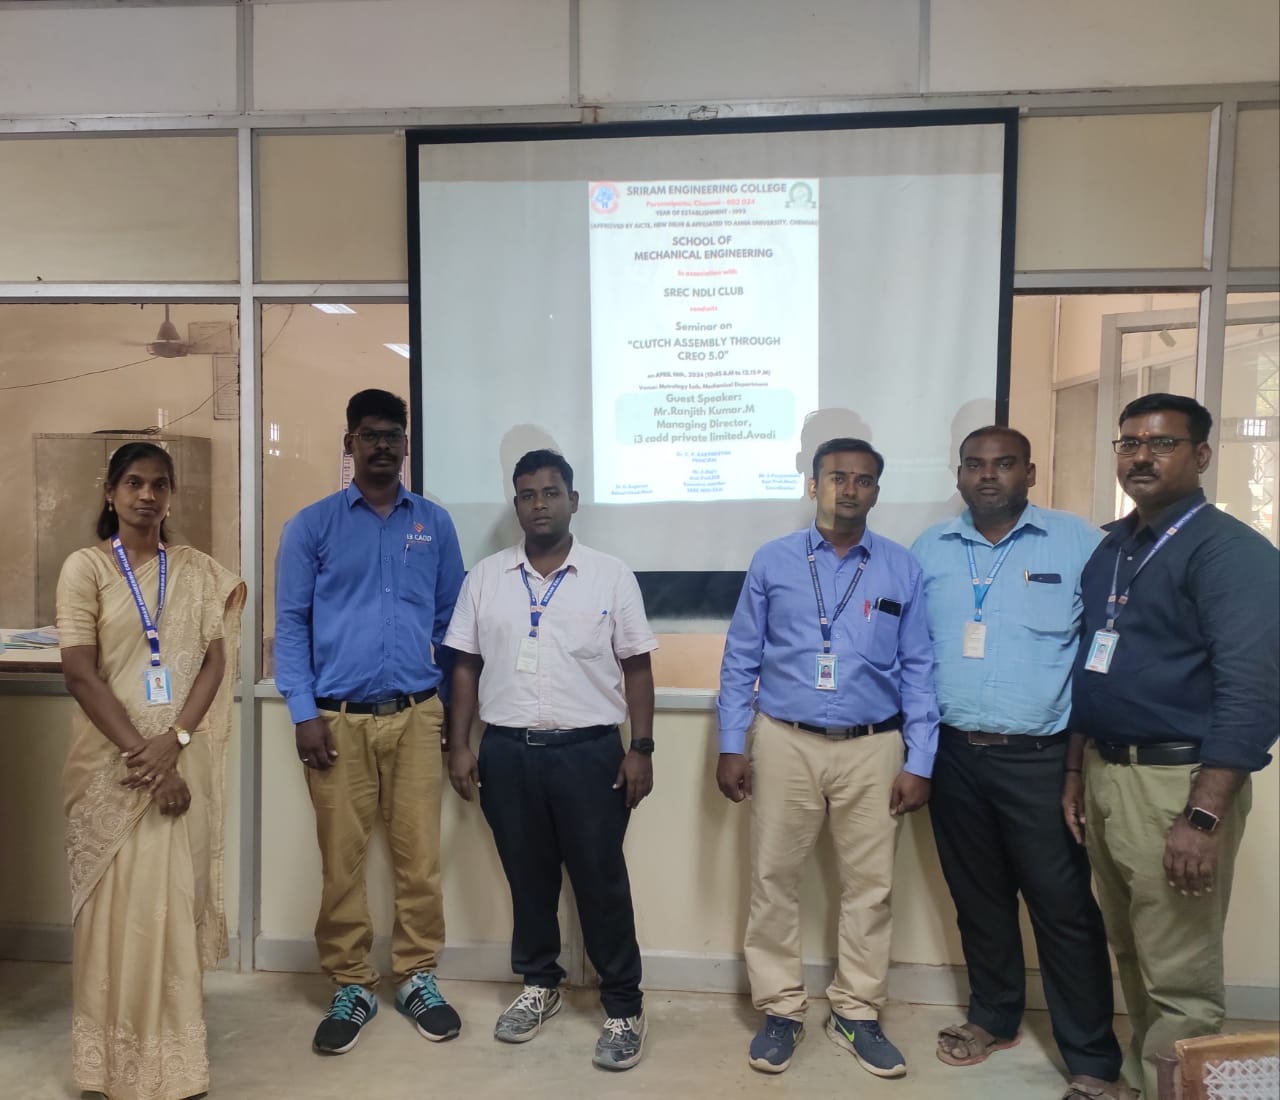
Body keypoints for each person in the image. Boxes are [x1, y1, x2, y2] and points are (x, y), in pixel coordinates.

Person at [1064, 393, 1279, 1099]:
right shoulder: (1115, 547)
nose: (1141, 456)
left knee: (1180, 972)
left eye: (1161, 443)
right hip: (1109, 773)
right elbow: (1092, 668)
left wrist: (1203, 816)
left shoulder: (1232, 553)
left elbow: (1253, 691)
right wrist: (1077, 772)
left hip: (1177, 783)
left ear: (1202, 455)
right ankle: (1144, 1083)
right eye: (1129, 443)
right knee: (1133, 948)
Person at [911, 427, 1129, 1100]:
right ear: (958, 475)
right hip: (953, 755)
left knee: (1063, 910)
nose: (988, 476)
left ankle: (1092, 1059)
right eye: (975, 465)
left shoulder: (1078, 544)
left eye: (1003, 464)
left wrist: (1076, 766)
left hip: (1042, 760)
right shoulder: (929, 549)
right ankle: (993, 1017)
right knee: (978, 900)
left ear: (1029, 473)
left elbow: (1100, 656)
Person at [716, 437, 938, 1078]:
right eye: (838, 477)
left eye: (864, 480)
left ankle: (856, 1011)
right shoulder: (773, 560)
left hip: (874, 746)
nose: (850, 489)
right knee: (773, 880)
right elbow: (740, 657)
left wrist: (920, 759)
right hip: (784, 739)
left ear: (876, 491)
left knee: (871, 888)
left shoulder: (900, 567)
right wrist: (731, 743)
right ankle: (781, 1008)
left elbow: (920, 667)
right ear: (814, 485)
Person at [445, 449, 657, 1072]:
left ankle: (624, 1007)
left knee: (600, 881)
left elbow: (637, 667)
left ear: (573, 500)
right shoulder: (486, 578)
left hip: (590, 754)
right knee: (527, 879)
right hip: (508, 753)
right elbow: (465, 666)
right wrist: (460, 744)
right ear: (516, 504)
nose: (540, 504)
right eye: (528, 494)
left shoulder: (610, 576)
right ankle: (540, 984)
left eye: (551, 492)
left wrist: (640, 748)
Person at [274, 389, 465, 1055]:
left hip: (416, 716)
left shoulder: (434, 525)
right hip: (336, 722)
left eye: (393, 435)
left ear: (406, 444)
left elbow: (452, 625)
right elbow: (290, 626)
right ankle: (351, 983)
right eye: (370, 434)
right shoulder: (311, 527)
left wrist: (450, 713)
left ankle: (416, 976)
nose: (383, 445)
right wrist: (303, 713)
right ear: (349, 443)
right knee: (342, 863)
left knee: (420, 860)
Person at [57, 441, 245, 1100]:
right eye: (133, 483)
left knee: (166, 913)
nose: (146, 495)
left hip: (179, 757)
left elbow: (216, 663)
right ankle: (107, 1066)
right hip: (111, 770)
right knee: (116, 917)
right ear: (110, 492)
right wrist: (149, 756)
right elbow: (80, 673)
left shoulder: (193, 571)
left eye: (159, 484)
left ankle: (174, 1065)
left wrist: (178, 740)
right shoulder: (85, 569)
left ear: (171, 496)